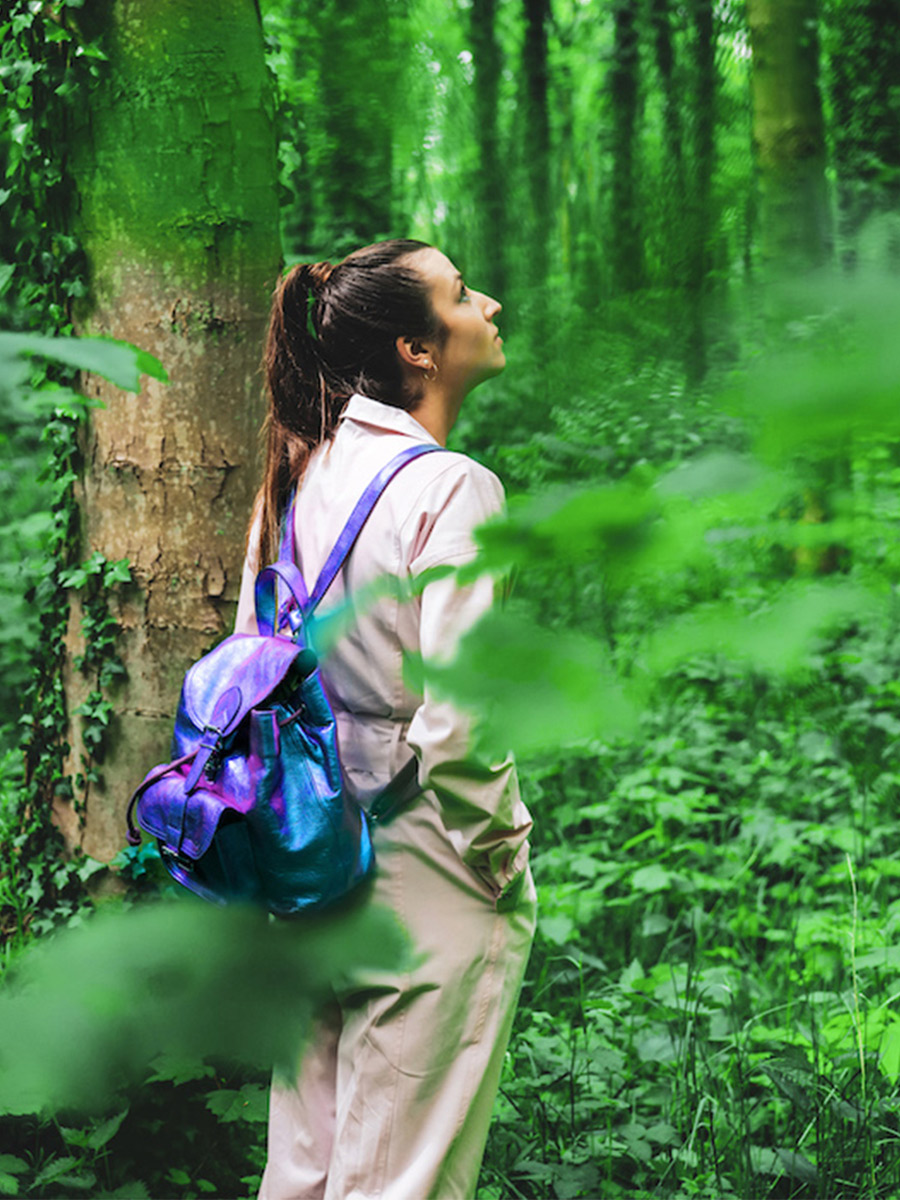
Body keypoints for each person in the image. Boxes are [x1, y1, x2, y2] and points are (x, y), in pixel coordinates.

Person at [234, 239, 535, 1200]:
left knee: (309, 1162)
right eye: (461, 294)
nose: (488, 302)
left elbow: (252, 667)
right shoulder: (453, 488)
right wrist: (500, 855)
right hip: (423, 860)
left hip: (308, 854)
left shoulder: (299, 473)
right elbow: (459, 723)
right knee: (404, 1173)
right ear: (418, 348)